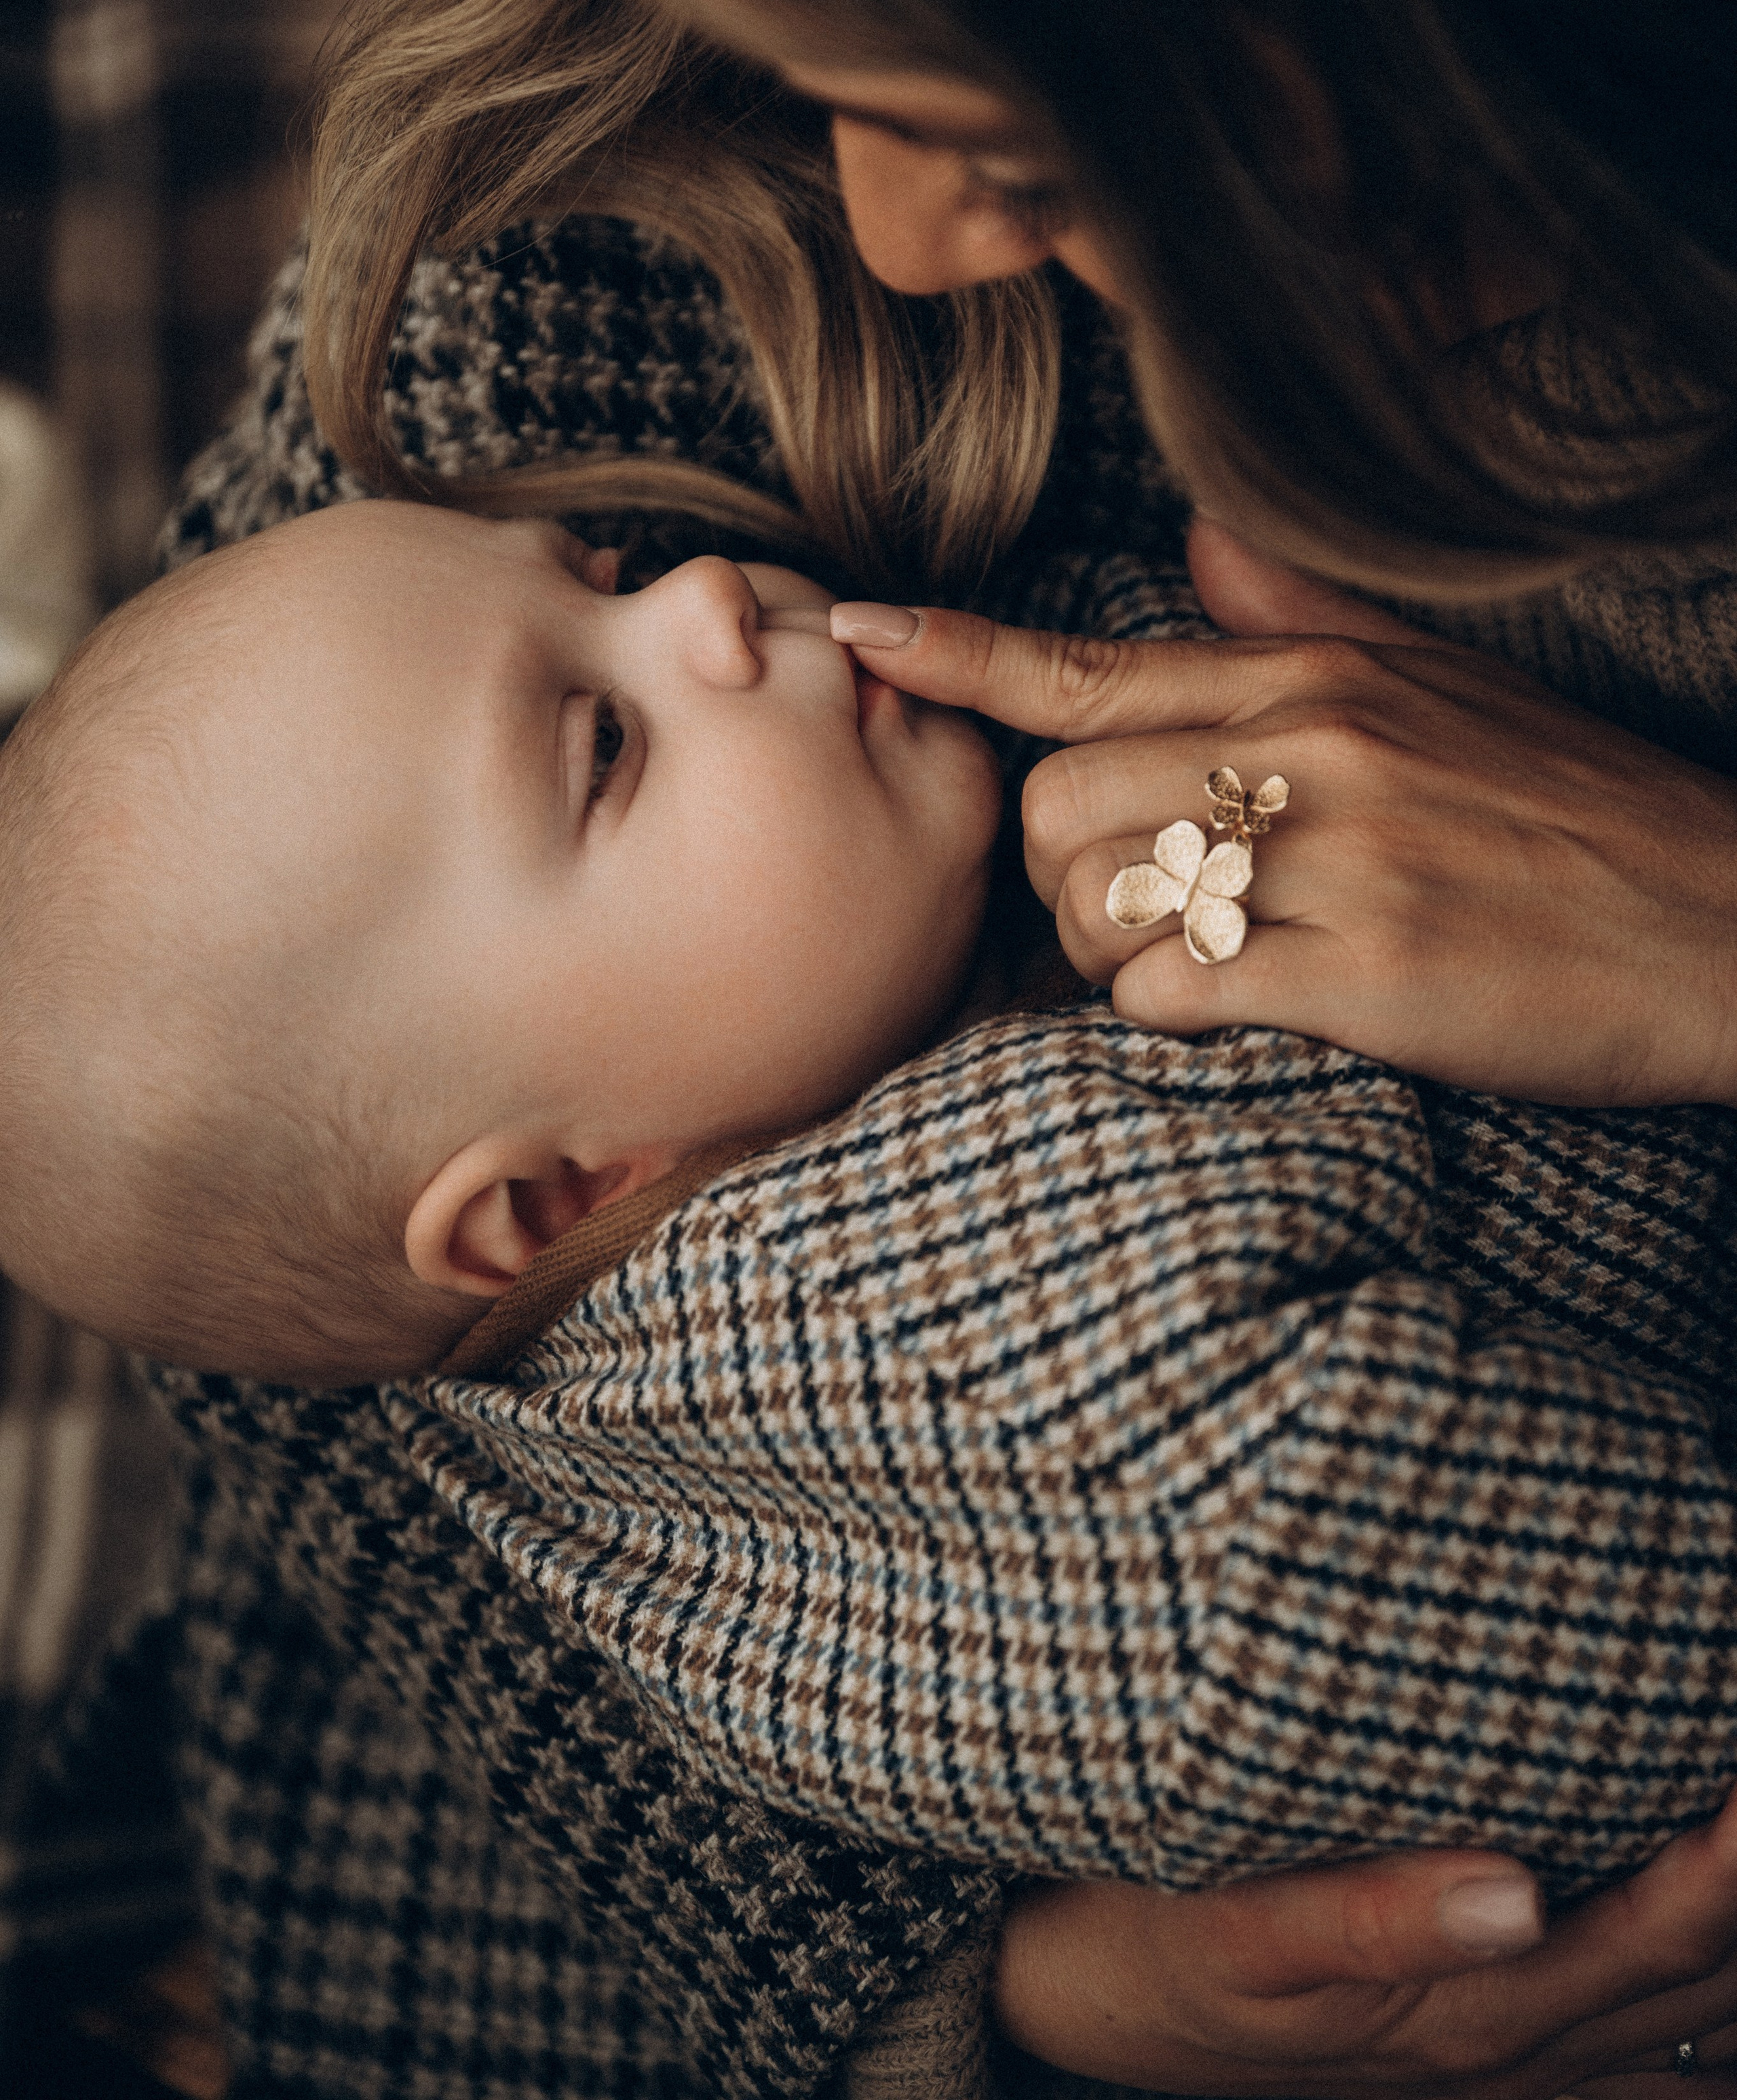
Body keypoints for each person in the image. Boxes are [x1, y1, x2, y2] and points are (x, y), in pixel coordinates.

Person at [126, 0, 1737, 2091]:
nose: (897, 236)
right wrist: (965, 1988)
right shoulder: (619, 165)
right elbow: (225, 1194)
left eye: (1008, 106)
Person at [4, 491, 1737, 1932]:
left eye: (597, 574)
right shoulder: (1009, 1397)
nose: (698, 595)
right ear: (555, 1192)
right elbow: (1630, 1634)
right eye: (601, 741)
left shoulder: (855, 973)